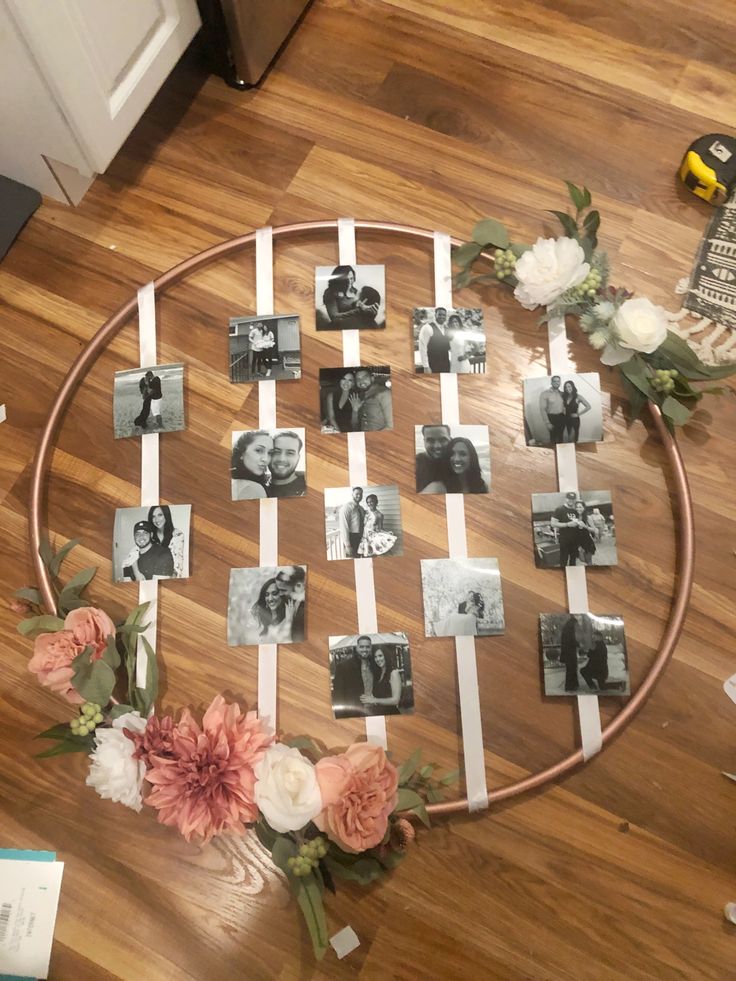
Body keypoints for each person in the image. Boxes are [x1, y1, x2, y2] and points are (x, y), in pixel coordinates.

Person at [422, 436, 488, 494]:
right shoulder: (436, 488)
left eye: (462, 454)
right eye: (451, 454)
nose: (456, 459)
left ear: (472, 458)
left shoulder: (482, 486)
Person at [332, 634, 374, 717]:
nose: (365, 649)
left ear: (371, 648)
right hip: (355, 711)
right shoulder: (343, 666)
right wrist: (340, 716)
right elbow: (338, 696)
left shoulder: (375, 665)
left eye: (367, 647)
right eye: (361, 647)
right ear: (357, 647)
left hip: (375, 710)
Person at [248, 577, 299, 643]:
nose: (270, 599)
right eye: (266, 594)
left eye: (274, 593)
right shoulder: (257, 618)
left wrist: (289, 620)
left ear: (282, 595)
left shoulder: (290, 616)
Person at [360, 647, 402, 715]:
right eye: (375, 657)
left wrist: (374, 700)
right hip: (379, 713)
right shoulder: (378, 675)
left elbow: (396, 700)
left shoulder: (393, 673)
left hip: (391, 713)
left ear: (386, 656)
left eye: (380, 656)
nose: (378, 659)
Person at [231, 430, 273, 500]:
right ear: (242, 453)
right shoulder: (252, 488)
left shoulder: (233, 479)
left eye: (270, 453)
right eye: (258, 450)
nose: (266, 459)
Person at [147, 505, 185, 577]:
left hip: (169, 576)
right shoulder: (149, 535)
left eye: (160, 515)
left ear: (166, 515)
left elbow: (178, 563)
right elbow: (137, 554)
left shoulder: (177, 535)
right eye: (153, 516)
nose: (156, 520)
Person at [550, 491, 585, 567]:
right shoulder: (559, 509)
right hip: (564, 539)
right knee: (563, 559)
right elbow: (553, 523)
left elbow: (578, 523)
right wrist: (567, 524)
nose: (571, 501)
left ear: (575, 499)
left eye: (573, 499)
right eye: (569, 499)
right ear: (566, 499)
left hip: (575, 540)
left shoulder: (575, 510)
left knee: (573, 559)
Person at [267, 431, 305, 498]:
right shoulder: (255, 486)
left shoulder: (308, 486)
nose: (282, 459)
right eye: (276, 452)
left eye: (290, 453)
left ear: (298, 458)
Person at [416, 424, 451, 492]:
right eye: (431, 440)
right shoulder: (416, 464)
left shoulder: (459, 461)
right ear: (424, 442)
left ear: (450, 439)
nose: (437, 446)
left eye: (442, 440)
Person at [275, 566, 305, 641]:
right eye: (278, 590)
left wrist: (289, 621)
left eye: (283, 590)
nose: (280, 594)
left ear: (299, 586)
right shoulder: (288, 602)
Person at [417, 306, 451, 373]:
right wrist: (426, 367)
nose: (442, 316)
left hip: (446, 364)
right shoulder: (427, 328)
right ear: (435, 315)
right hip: (433, 365)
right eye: (440, 314)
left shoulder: (446, 329)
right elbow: (422, 348)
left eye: (444, 315)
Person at [337, 486, 365, 558]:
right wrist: (347, 545)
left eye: (361, 494)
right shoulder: (347, 507)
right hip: (352, 538)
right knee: (353, 561)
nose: (359, 496)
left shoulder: (361, 509)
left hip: (361, 538)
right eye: (357, 494)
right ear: (352, 494)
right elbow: (344, 526)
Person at [538, 375, 566, 444]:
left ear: (560, 383)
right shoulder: (544, 394)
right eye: (555, 381)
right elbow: (542, 409)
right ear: (551, 383)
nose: (557, 383)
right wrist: (547, 423)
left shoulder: (563, 394)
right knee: (553, 438)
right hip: (551, 418)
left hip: (562, 417)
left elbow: (566, 406)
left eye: (558, 381)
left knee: (561, 437)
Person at [559, 615, 579, 692]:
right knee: (571, 669)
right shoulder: (570, 629)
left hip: (568, 652)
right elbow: (571, 641)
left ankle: (572, 685)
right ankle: (570, 686)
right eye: (575, 624)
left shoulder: (566, 628)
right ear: (573, 622)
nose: (576, 626)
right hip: (570, 653)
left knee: (571, 669)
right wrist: (578, 644)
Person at [574, 500, 597, 565]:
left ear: (584, 508)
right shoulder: (574, 518)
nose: (578, 509)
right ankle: (592, 565)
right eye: (577, 507)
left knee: (588, 560)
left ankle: (591, 568)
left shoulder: (588, 518)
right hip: (578, 542)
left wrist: (585, 526)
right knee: (582, 559)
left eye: (580, 507)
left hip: (587, 542)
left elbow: (594, 530)